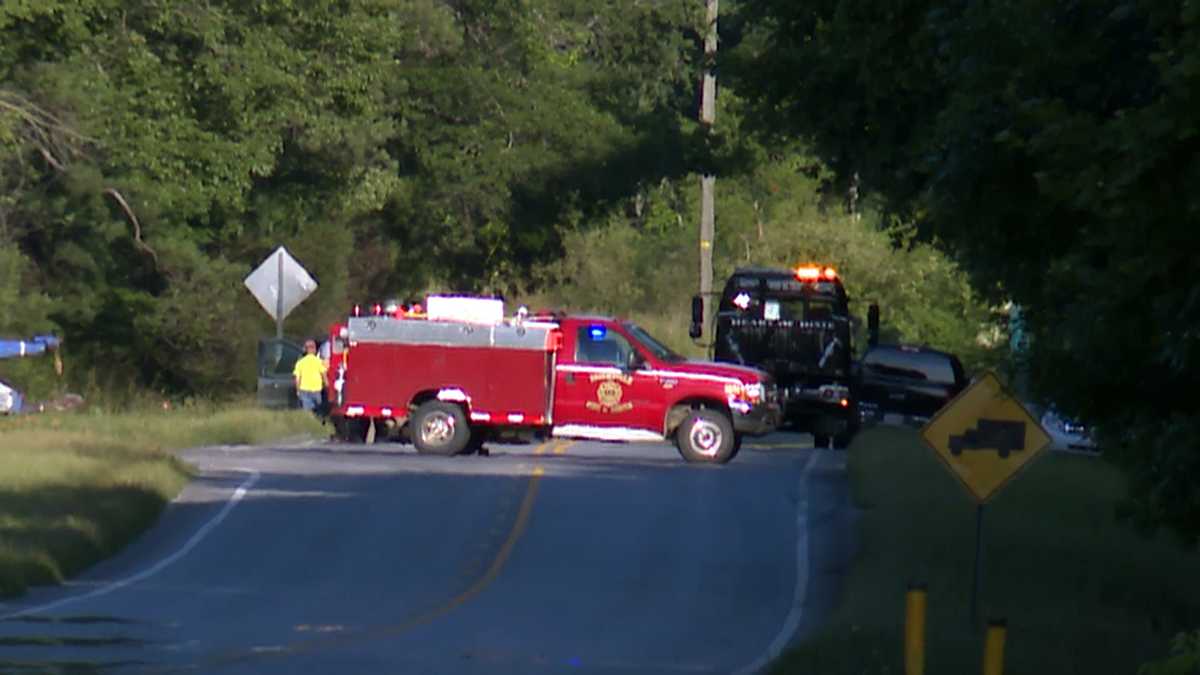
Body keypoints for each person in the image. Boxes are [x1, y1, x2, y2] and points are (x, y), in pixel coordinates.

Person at [292, 339, 327, 413]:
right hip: (317, 390)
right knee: (318, 411)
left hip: (304, 390)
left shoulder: (300, 363)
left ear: (306, 350)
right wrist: (327, 385)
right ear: (315, 349)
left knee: (307, 412)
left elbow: (297, 379)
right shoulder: (320, 362)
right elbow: (324, 376)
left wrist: (298, 390)